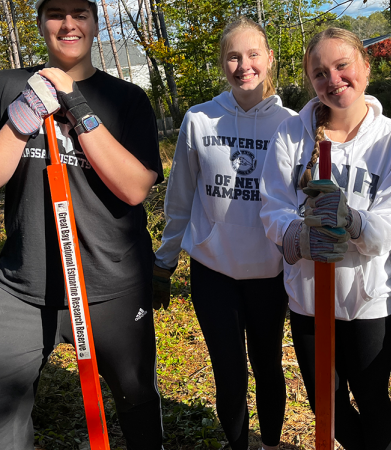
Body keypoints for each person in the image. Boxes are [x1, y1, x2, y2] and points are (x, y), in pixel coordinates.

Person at [0, 0, 164, 448]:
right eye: (55, 12)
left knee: (137, 397)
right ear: (40, 22)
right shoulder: (5, 86)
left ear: (95, 21)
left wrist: (79, 108)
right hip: (24, 286)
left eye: (80, 12)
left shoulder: (127, 98)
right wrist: (22, 119)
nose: (68, 24)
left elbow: (135, 188)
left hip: (112, 282)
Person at [259, 27, 391, 450]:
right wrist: (298, 234)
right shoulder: (292, 135)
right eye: (320, 73)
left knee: (371, 397)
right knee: (324, 402)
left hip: (371, 300)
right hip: (309, 297)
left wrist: (353, 223)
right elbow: (271, 205)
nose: (333, 79)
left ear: (365, 67)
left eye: (342, 66)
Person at [153, 17, 296, 450]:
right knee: (229, 374)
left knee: (268, 367)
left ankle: (269, 444)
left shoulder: (291, 125)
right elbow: (180, 196)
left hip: (269, 273)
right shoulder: (200, 120)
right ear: (222, 63)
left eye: (253, 54)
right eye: (233, 56)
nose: (243, 65)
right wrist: (164, 261)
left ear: (269, 59)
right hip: (213, 271)